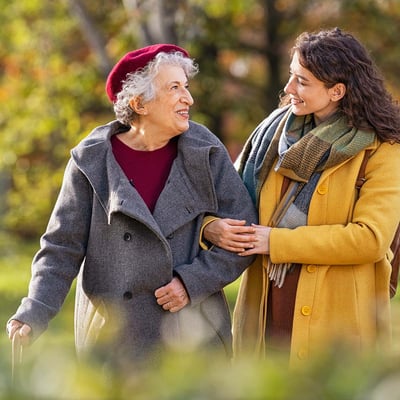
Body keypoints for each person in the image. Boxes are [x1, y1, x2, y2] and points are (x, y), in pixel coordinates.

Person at [6, 44, 257, 369]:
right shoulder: (91, 161)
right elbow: (61, 248)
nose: (188, 99)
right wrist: (34, 310)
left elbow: (245, 235)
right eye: (174, 88)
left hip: (192, 335)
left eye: (186, 86)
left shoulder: (205, 150)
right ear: (139, 103)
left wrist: (192, 281)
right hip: (114, 338)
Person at [202, 28, 400, 365]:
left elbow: (370, 239)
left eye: (303, 81)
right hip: (265, 308)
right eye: (291, 76)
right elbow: (227, 201)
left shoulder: (382, 150)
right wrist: (210, 227)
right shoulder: (272, 136)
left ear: (337, 91)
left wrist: (276, 242)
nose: (289, 89)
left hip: (337, 321)